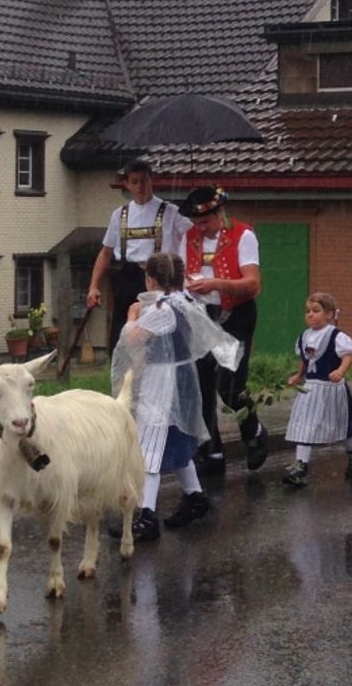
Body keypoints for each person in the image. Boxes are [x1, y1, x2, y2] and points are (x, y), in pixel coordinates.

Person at [109, 253, 241, 540]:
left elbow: (133, 338)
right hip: (179, 376)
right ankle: (195, 497)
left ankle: (146, 515)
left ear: (151, 279)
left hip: (162, 381)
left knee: (148, 446)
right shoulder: (183, 301)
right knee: (176, 440)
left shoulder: (161, 308)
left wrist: (131, 317)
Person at [176, 185, 271, 481]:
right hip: (201, 315)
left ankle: (253, 430)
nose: (200, 228)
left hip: (236, 315)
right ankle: (212, 452)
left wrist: (217, 284)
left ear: (220, 213)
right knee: (201, 386)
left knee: (229, 387)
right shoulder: (188, 238)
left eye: (205, 222)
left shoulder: (243, 235)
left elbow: (253, 284)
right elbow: (181, 280)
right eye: (196, 223)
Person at [88, 160, 191, 352]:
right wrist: (94, 286)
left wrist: (186, 272)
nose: (140, 187)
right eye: (134, 182)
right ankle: (123, 373)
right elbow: (106, 252)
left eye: (144, 181)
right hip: (128, 276)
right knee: (124, 329)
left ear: (152, 181)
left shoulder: (171, 212)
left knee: (158, 329)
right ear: (127, 184)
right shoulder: (120, 215)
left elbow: (193, 238)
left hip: (162, 278)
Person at [281, 292, 352, 488]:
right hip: (310, 388)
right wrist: (298, 375)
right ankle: (301, 467)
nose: (310, 315)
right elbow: (305, 359)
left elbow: (348, 355)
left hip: (331, 389)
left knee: (340, 426)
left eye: (316, 311)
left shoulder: (336, 336)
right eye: (308, 311)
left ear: (329, 314)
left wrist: (341, 370)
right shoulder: (304, 337)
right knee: (304, 424)